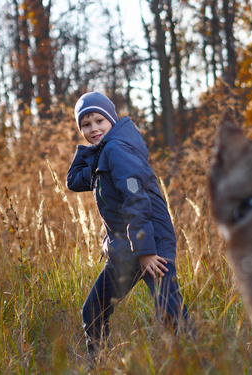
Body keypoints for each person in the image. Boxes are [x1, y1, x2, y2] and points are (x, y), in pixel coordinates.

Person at [66, 91, 190, 361]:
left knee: (169, 309)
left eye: (99, 120)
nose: (93, 128)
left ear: (111, 119)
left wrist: (146, 250)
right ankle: (97, 364)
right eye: (85, 125)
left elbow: (136, 199)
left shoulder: (117, 149)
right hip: (126, 245)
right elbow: (74, 180)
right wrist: (90, 151)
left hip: (150, 240)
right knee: (94, 310)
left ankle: (195, 362)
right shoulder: (105, 152)